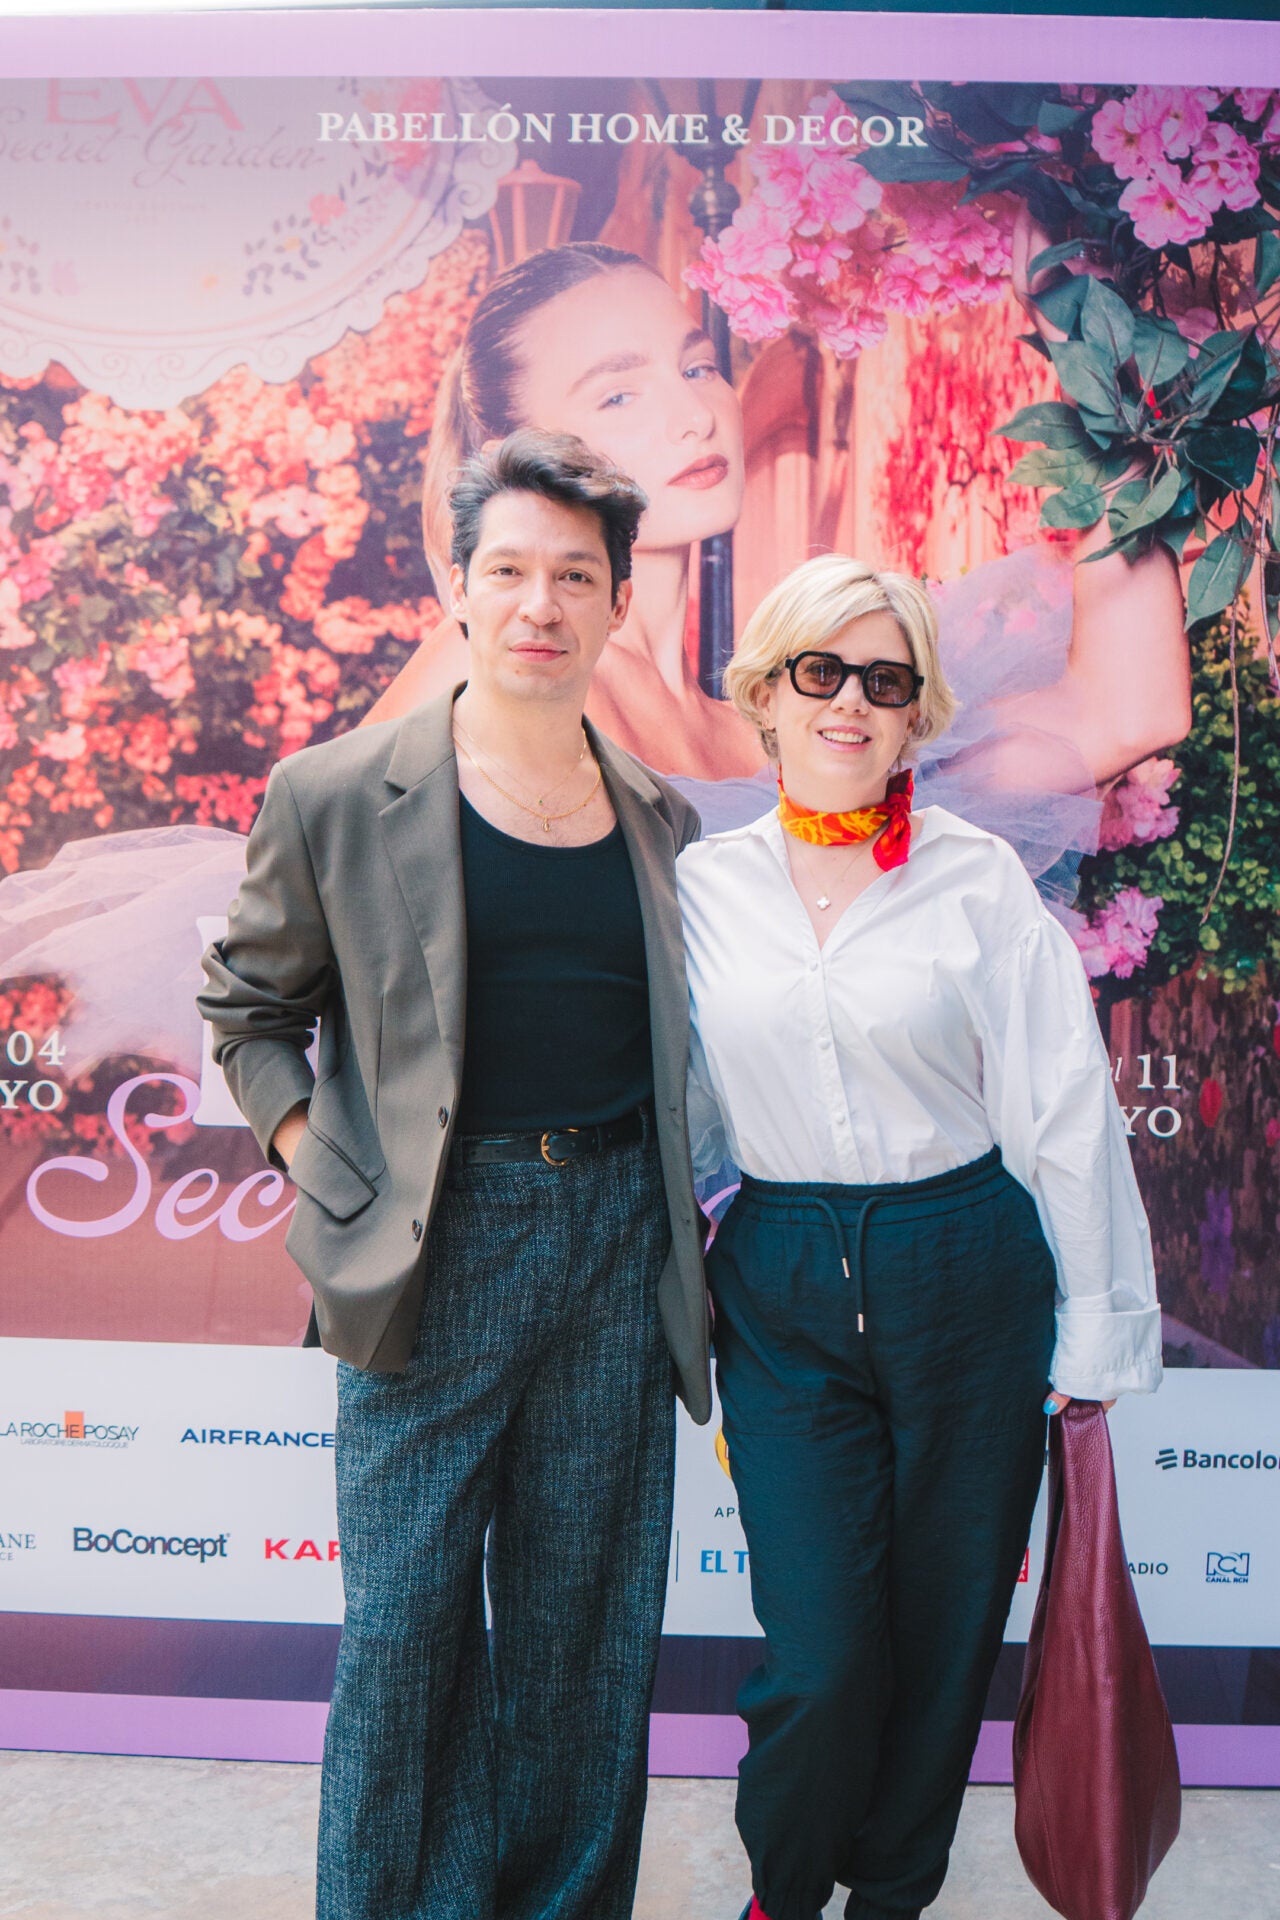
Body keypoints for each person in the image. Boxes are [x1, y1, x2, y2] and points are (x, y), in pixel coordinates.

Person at [197, 430, 711, 1920]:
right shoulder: (335, 794)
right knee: (407, 1630)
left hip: (617, 1243)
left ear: (618, 603)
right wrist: (329, 1172)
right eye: (511, 572)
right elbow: (246, 1014)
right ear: (459, 587)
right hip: (435, 1243)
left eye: (576, 577)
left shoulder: (660, 816)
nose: (541, 604)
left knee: (582, 1630)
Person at [675, 554, 1162, 1920]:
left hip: (966, 1268)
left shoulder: (976, 879)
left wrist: (1094, 1329)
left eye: (883, 681)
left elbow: (1062, 1108)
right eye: (819, 671)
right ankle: (782, 1895)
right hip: (778, 1279)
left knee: (945, 1639)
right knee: (822, 1654)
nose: (849, 702)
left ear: (915, 715)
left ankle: (891, 1895)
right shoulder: (698, 888)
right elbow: (669, 1098)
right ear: (766, 695)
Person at [368, 231, 1188, 873]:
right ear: (522, 454)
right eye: (619, 393)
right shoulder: (499, 664)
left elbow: (1125, 713)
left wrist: (1089, 348)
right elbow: (317, 889)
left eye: (698, 366)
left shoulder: (783, 722)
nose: (695, 414)